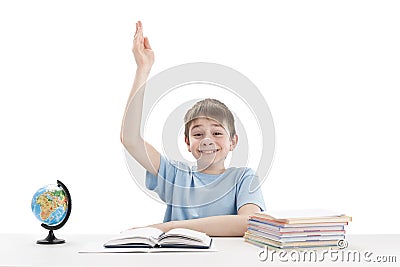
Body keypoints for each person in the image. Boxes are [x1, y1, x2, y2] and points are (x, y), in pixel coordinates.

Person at [120, 21, 265, 236]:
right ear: (187, 143)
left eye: (217, 133)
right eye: (198, 134)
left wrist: (170, 227)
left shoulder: (243, 178)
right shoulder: (176, 175)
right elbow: (130, 138)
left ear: (233, 141)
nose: (207, 140)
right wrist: (143, 69)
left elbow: (250, 222)